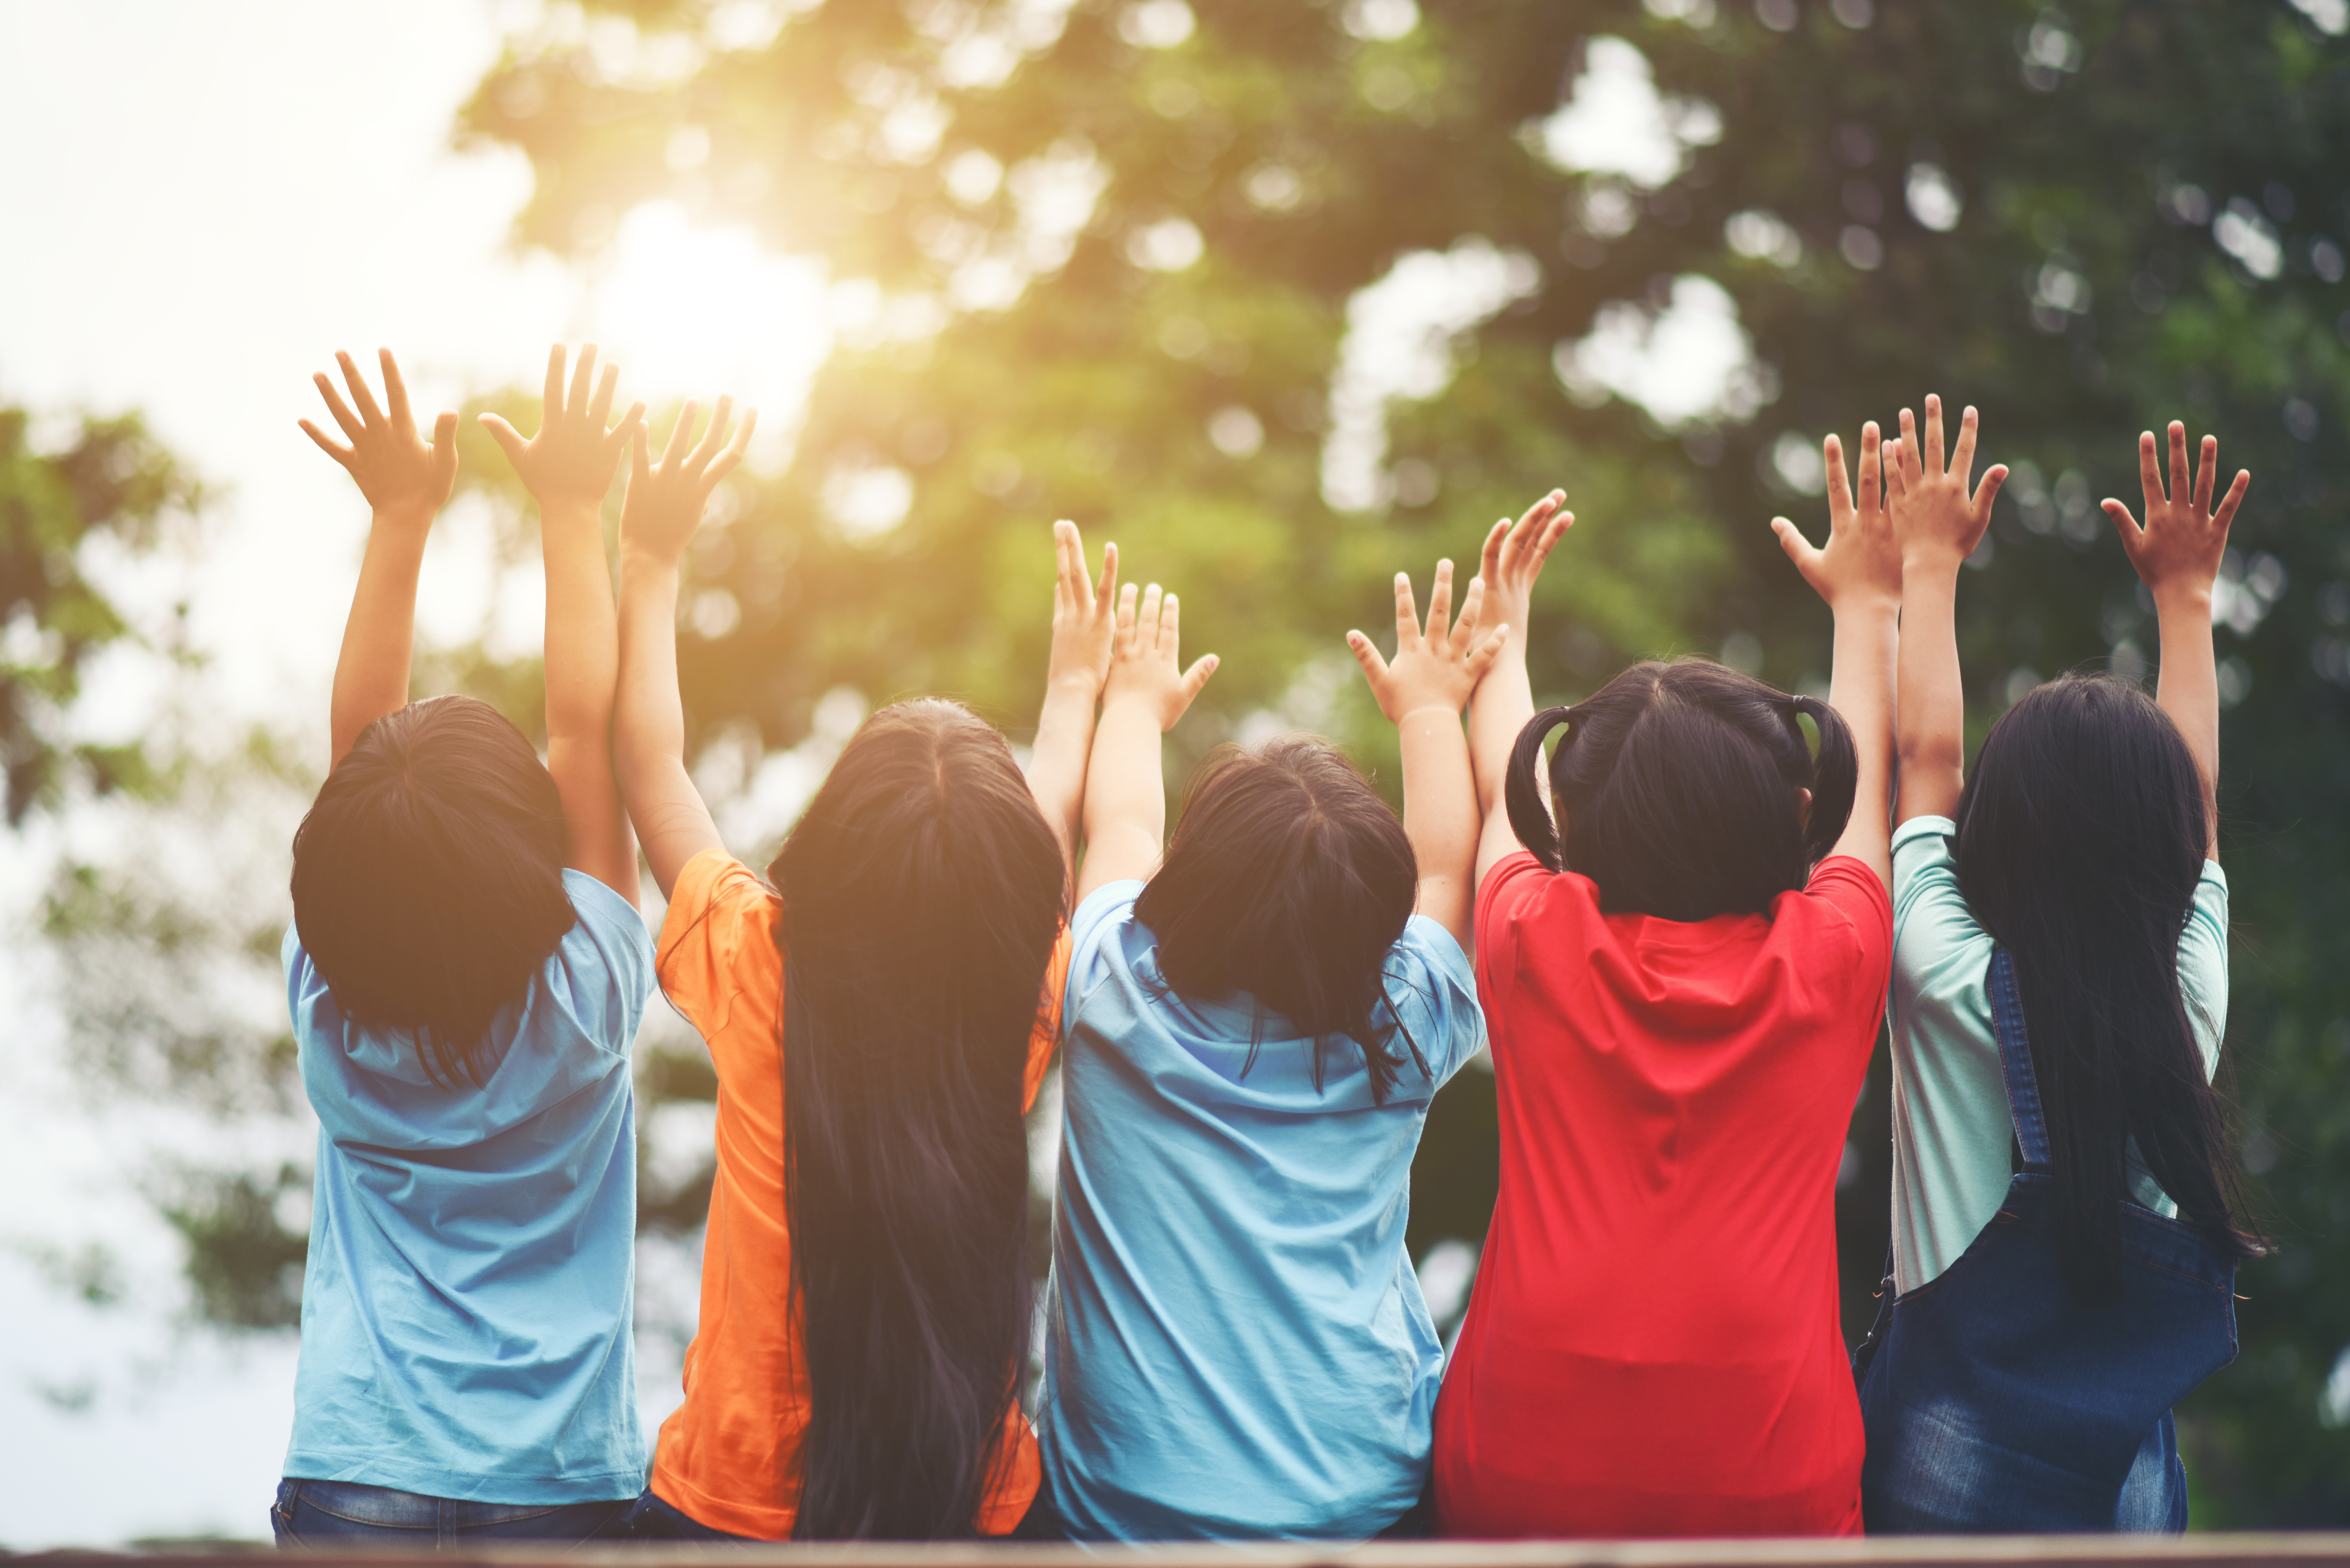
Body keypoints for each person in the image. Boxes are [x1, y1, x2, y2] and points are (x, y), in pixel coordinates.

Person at [608, 391, 1114, 1540]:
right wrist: (1076, 693)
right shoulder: (1019, 999)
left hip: (727, 1517)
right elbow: (1031, 874)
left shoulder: (757, 965)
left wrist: (650, 558)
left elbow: (652, 768)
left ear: (828, 848)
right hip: (975, 1512)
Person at [1433, 463, 1899, 1536]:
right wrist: (1869, 604)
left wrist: (1503, 634)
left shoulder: (1532, 942)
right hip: (1771, 1500)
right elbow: (1867, 786)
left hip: (1514, 1478)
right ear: (1796, 813)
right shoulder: (1831, 960)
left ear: (1572, 831)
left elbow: (1508, 801)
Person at [1856, 400, 2266, 1531]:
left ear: (1994, 830)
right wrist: (2187, 599)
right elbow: (2200, 808)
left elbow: (1924, 759)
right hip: (2122, 1500)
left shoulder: (1938, 972)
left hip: (1934, 1481)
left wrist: (1929, 561)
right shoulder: (2187, 998)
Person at [271, 347, 655, 1547]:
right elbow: (585, 731)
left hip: (353, 1481)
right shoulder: (586, 998)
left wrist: (400, 517)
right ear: (532, 856)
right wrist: (575, 512)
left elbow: (360, 759)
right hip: (559, 1492)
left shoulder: (332, 1000)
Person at [1035, 566, 1498, 1540]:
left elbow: (1120, 824)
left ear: (1191, 882)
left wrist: (1130, 702)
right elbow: (1448, 867)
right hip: (1361, 1504)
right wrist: (1429, 708)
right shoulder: (1405, 1024)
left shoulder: (1113, 992)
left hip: (1127, 1518)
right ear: (1378, 919)